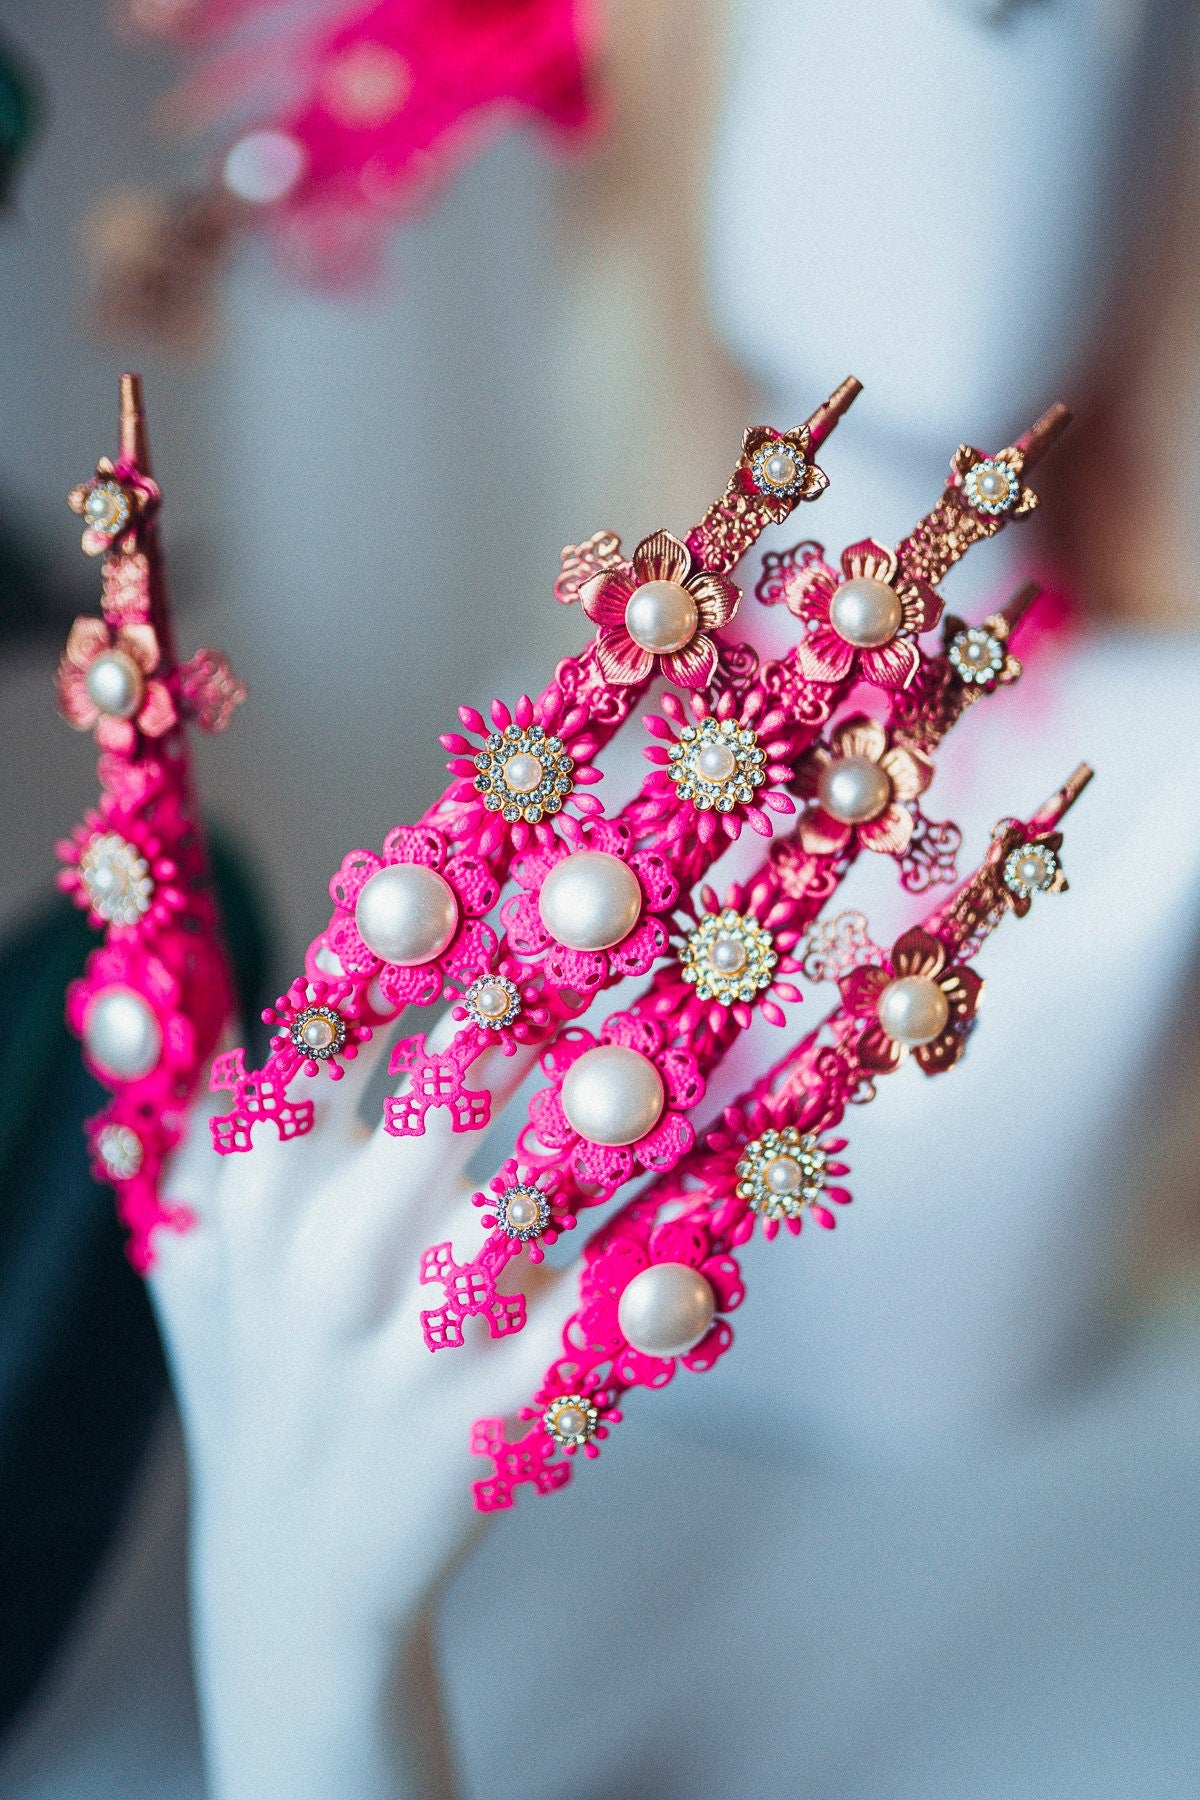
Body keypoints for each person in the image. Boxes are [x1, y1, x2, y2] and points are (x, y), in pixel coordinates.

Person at [4, 3, 1200, 1796]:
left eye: (1064, 25)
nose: (957, 102)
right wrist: (301, 1649)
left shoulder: (1159, 773)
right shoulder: (547, 743)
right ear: (696, 92)